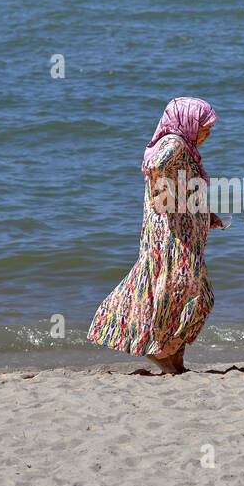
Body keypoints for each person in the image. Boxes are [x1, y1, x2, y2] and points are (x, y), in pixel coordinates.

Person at [88, 97, 224, 374]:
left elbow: (183, 183)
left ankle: (174, 360)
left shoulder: (182, 146)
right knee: (196, 295)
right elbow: (155, 168)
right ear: (188, 122)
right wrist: (167, 198)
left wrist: (204, 213)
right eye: (204, 127)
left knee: (176, 293)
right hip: (171, 238)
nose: (208, 134)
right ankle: (160, 352)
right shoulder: (173, 144)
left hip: (180, 235)